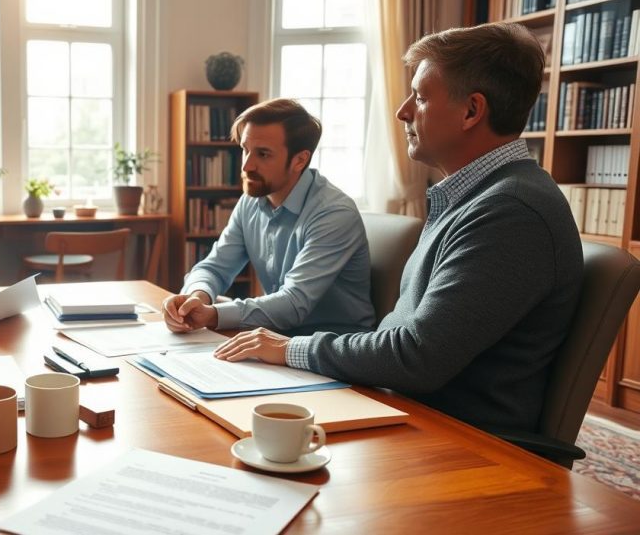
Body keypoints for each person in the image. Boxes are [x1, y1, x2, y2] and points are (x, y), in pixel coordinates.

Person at [213, 22, 584, 432]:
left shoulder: (511, 213)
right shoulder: (476, 197)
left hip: (460, 442)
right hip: (405, 410)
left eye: (421, 97)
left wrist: (289, 349)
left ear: (472, 111)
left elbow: (415, 356)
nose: (403, 110)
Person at [162, 98, 375, 337]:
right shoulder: (251, 201)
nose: (246, 166)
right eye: (245, 150)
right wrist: (196, 297)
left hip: (333, 348)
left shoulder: (333, 213)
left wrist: (212, 315)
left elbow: (294, 303)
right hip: (276, 337)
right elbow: (215, 267)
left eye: (263, 154)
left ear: (300, 160)